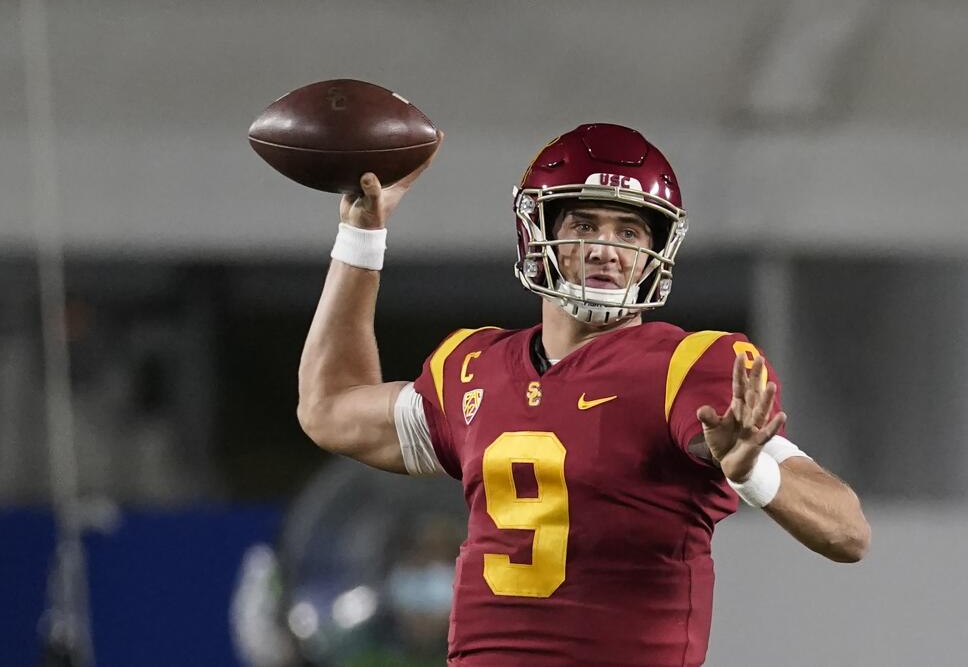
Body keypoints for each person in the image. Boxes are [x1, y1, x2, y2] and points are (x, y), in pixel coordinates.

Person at [297, 123, 871, 667]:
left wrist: (753, 473)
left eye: (629, 232)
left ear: (657, 249)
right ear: (539, 231)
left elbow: (848, 532)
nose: (606, 249)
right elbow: (330, 409)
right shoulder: (474, 366)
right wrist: (360, 237)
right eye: (584, 225)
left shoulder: (685, 368)